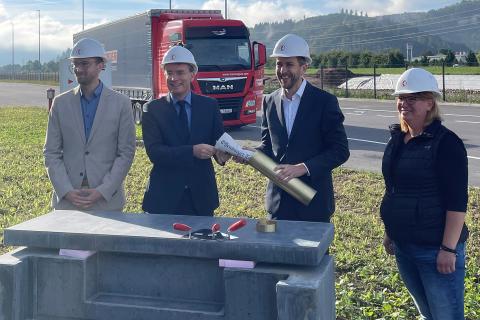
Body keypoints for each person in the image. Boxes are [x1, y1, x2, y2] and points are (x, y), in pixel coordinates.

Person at [381, 68, 469, 320]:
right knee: (428, 314)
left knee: (446, 316)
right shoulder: (399, 139)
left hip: (434, 250)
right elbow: (394, 191)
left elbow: (457, 202)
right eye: (401, 97)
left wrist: (448, 249)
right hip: (404, 246)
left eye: (413, 98)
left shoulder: (446, 143)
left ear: (430, 102)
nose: (404, 103)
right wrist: (391, 233)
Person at [253, 34, 349, 222]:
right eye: (279, 64)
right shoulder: (269, 101)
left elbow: (340, 150)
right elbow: (268, 147)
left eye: (289, 64)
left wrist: (303, 168)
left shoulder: (324, 102)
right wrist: (248, 155)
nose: (282, 70)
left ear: (304, 67)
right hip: (278, 205)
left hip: (313, 204)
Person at [44, 38, 136, 211]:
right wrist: (66, 191)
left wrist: (103, 190)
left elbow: (126, 153)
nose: (78, 69)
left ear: (101, 65)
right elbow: (51, 152)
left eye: (84, 64)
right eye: (75, 64)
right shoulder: (60, 104)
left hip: (107, 201)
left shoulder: (121, 104)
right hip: (68, 201)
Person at [141, 45, 228, 216]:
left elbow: (219, 142)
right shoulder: (152, 109)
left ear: (192, 74)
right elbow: (155, 153)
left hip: (201, 197)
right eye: (169, 73)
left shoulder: (209, 106)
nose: (174, 78)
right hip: (164, 198)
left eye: (180, 72)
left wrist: (223, 154)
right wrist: (192, 151)